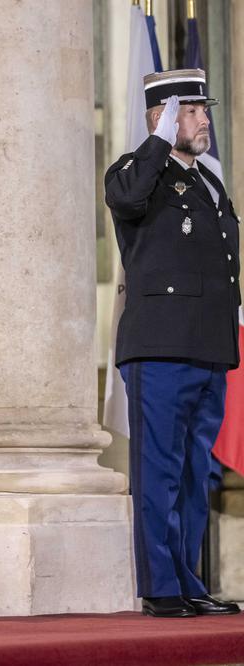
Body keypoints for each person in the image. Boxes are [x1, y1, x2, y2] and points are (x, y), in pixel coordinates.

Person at [105, 68, 241, 619]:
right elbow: (129, 198)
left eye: (203, 109)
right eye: (191, 110)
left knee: (194, 474)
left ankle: (187, 579)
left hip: (208, 346)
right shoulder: (136, 173)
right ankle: (160, 586)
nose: (204, 118)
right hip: (159, 347)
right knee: (158, 470)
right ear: (161, 116)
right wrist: (159, 139)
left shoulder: (208, 181)